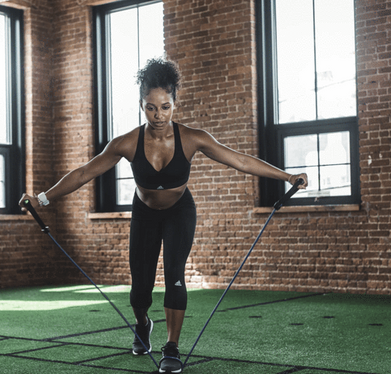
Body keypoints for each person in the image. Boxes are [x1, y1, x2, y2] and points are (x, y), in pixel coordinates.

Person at [19, 57, 308, 374]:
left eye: (165, 107)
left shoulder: (193, 138)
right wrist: (41, 198)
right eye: (150, 107)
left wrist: (286, 176)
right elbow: (84, 173)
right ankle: (143, 325)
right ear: (141, 104)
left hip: (179, 212)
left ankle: (172, 347)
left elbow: (240, 160)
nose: (158, 115)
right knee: (139, 290)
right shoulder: (127, 143)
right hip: (144, 214)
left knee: (174, 275)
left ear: (175, 103)